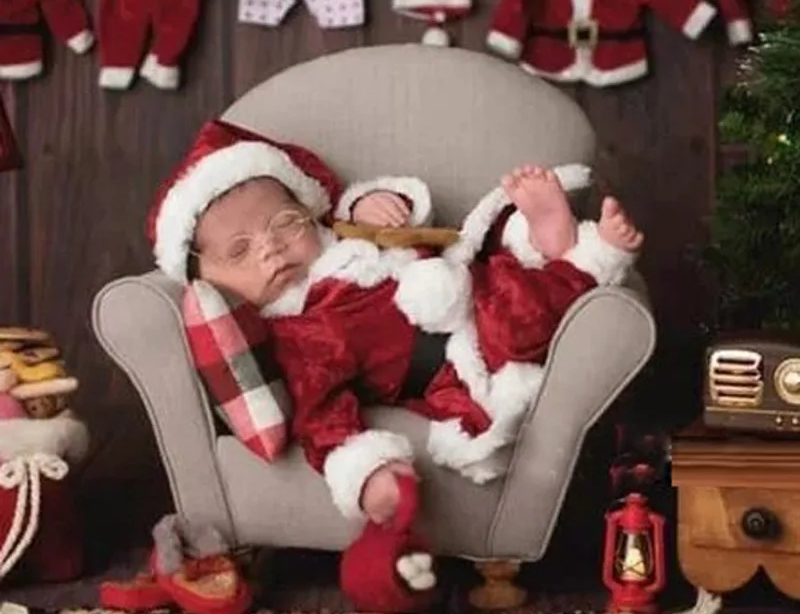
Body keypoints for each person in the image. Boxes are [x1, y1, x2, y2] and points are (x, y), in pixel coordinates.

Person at [148, 119, 642, 528]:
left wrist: (371, 207)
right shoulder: (295, 336)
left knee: (503, 271)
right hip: (444, 360)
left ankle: (540, 238)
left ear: (311, 214)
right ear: (210, 280)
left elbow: (408, 231)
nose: (270, 247)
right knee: (516, 326)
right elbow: (321, 417)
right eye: (240, 250)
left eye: (284, 222)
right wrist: (367, 474)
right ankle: (586, 259)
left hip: (457, 274)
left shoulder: (343, 239)